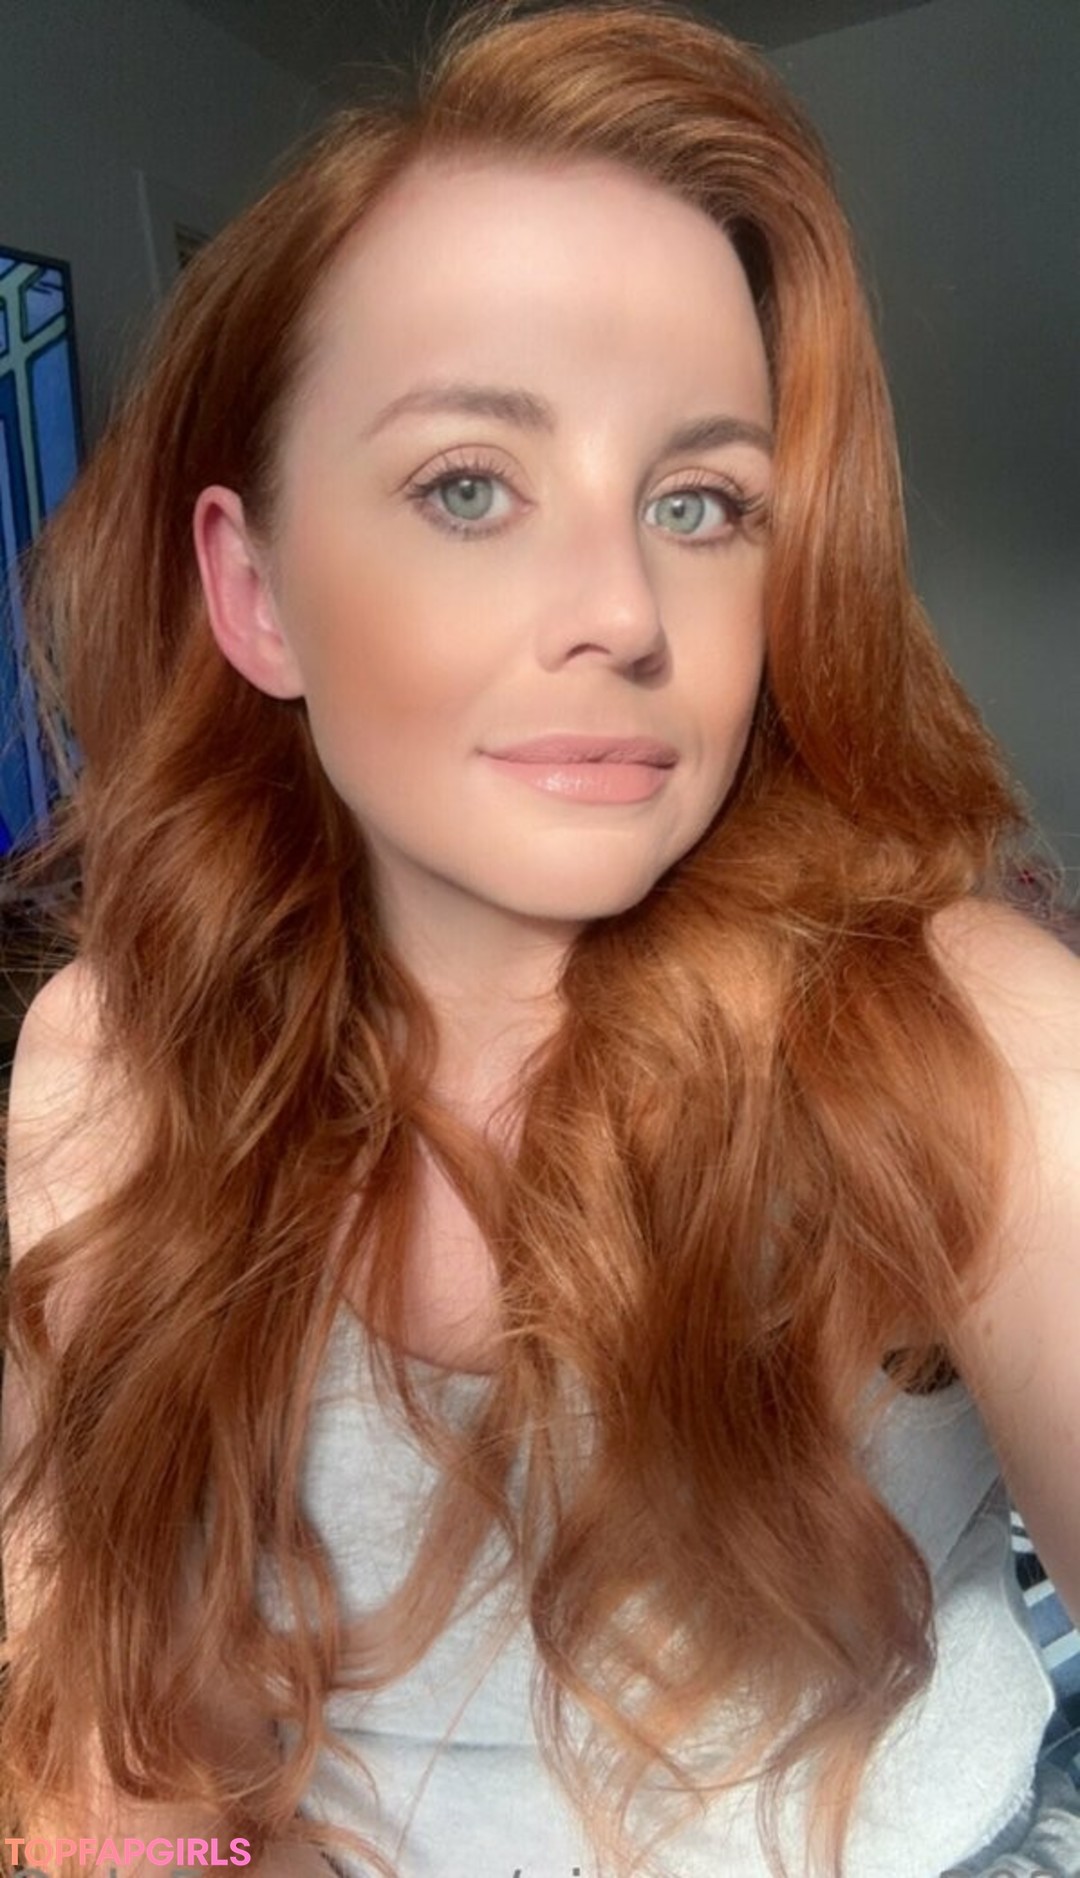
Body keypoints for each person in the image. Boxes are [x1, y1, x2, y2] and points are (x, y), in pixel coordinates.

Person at [3, 4, 1079, 1875]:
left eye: (700, 502)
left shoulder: (966, 1037)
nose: (624, 610)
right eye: (469, 486)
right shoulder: (112, 1056)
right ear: (255, 593)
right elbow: (94, 1720)